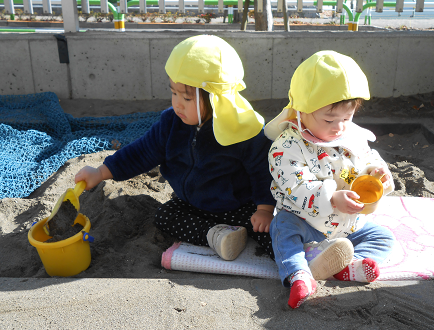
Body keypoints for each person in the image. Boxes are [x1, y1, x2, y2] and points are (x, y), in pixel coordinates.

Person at [75, 35, 276, 261]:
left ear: (216, 98)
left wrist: (265, 209)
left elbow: (262, 170)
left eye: (187, 98)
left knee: (269, 228)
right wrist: (101, 172)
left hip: (237, 206)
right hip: (190, 205)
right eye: (173, 93)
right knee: (165, 215)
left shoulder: (242, 130)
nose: (177, 103)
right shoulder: (171, 123)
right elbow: (142, 152)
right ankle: (216, 236)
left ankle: (297, 259)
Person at [264, 50, 396, 309]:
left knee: (383, 237)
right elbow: (296, 184)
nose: (339, 127)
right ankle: (299, 275)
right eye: (329, 119)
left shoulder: (348, 138)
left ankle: (344, 266)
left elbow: (352, 169)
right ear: (301, 111)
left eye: (347, 118)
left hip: (347, 224)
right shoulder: (288, 146)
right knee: (281, 230)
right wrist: (332, 198)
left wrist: (374, 174)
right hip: (305, 220)